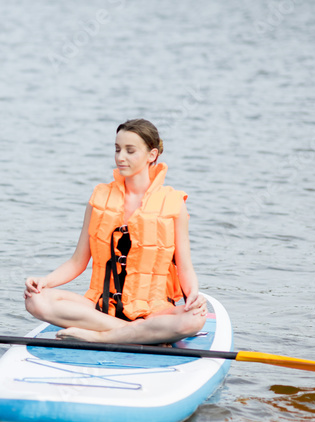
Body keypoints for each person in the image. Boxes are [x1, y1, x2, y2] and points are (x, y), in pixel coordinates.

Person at [23, 119, 208, 345]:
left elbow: (185, 266)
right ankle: (137, 333)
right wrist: (44, 281)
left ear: (152, 155)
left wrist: (193, 297)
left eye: (130, 151)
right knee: (36, 300)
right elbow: (77, 262)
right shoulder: (99, 199)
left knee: (194, 319)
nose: (121, 157)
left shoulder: (173, 203)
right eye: (117, 149)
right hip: (101, 307)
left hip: (154, 309)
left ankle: (100, 336)